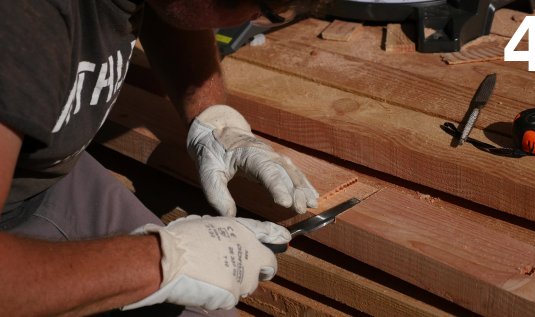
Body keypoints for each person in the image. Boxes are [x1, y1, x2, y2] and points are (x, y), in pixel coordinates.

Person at [0, 1, 326, 316]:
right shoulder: (22, 21)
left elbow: (172, 10)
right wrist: (164, 260)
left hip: (47, 172)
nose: (250, 18)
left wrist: (214, 122)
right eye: (263, 9)